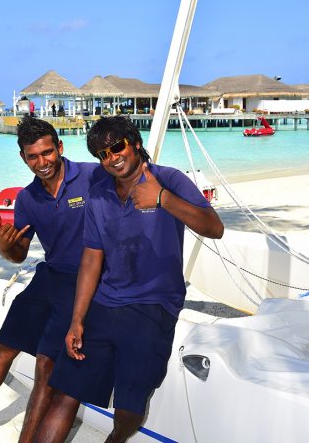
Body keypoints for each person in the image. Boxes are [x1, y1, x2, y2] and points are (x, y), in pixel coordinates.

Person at [34, 115, 224, 443]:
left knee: (128, 409)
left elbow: (214, 227)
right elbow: (92, 257)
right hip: (105, 303)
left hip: (154, 305)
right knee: (64, 392)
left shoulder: (169, 180)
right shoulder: (98, 194)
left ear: (135, 143)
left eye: (117, 147)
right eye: (102, 154)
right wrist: (77, 319)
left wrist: (163, 199)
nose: (112, 157)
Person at [0, 115, 106, 443]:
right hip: (49, 276)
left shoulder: (93, 176)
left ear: (59, 147)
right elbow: (18, 254)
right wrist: (3, 248)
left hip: (87, 281)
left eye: (47, 153)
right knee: (1, 348)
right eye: (32, 156)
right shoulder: (28, 198)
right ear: (23, 157)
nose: (42, 162)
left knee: (45, 363)